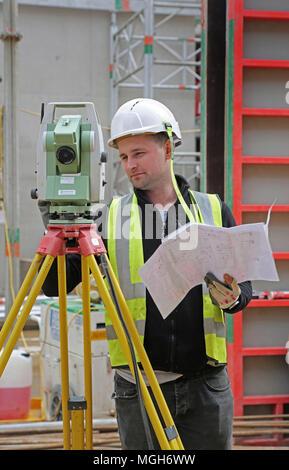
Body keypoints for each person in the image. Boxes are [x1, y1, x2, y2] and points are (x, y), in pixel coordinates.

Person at [41, 98, 252, 450]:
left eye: (138, 153)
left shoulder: (212, 209)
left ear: (168, 147)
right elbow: (51, 285)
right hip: (138, 388)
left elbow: (243, 289)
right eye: (124, 157)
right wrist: (60, 224)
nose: (130, 165)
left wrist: (233, 297)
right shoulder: (108, 218)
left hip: (206, 388)